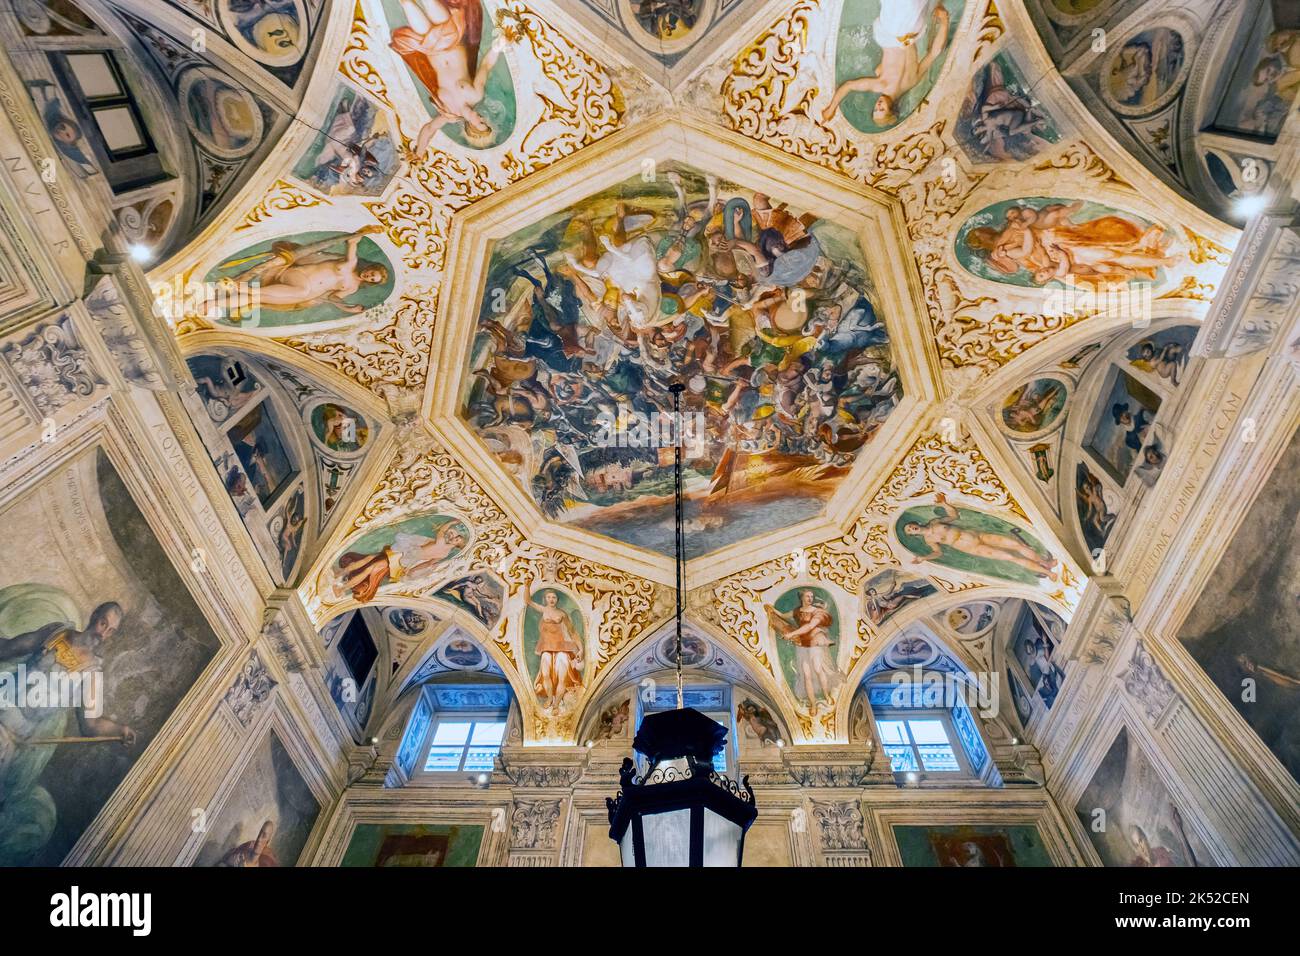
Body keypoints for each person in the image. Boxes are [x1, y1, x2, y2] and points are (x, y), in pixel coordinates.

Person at [0, 598, 137, 865]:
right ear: (94, 615)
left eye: (111, 631)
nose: (103, 632)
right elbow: (9, 647)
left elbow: (91, 724)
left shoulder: (92, 674)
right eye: (103, 623)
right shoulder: (56, 632)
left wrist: (120, 729)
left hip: (11, 738)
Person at [390, 0, 509, 153]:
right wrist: (497, 48)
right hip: (451, 35)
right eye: (484, 122)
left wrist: (419, 152)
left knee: (406, 3)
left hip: (429, 45)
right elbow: (486, 65)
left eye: (481, 124)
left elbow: (429, 129)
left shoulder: (449, 113)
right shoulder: (475, 95)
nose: (482, 119)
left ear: (471, 128)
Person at [822, 1, 951, 126]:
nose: (877, 106)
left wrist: (831, 107)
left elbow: (934, 53)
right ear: (892, 109)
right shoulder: (887, 84)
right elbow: (848, 86)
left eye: (875, 110)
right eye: (881, 110)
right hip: (898, 30)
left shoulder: (910, 82)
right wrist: (944, 22)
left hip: (909, 30)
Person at [217, 226, 388, 319]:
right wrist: (366, 233)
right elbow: (352, 241)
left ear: (370, 282)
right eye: (372, 273)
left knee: (256, 300)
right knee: (302, 290)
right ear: (370, 268)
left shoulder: (352, 288)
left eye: (372, 279)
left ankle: (211, 305)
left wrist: (346, 308)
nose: (369, 276)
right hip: (298, 276)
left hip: (301, 293)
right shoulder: (351, 263)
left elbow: (332, 297)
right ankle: (245, 288)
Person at [906, 493, 1059, 580]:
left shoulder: (935, 521)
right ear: (913, 534)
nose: (912, 528)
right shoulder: (929, 540)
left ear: (915, 523)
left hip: (976, 535)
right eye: (910, 531)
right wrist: (924, 558)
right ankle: (1048, 573)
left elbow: (953, 516)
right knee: (1009, 557)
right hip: (972, 547)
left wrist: (944, 504)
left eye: (911, 526)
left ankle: (1045, 562)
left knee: (1018, 545)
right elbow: (938, 552)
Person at [333, 521, 468, 603]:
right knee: (369, 559)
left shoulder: (441, 545)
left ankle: (342, 588)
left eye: (457, 540)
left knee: (370, 568)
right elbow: (428, 563)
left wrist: (451, 523)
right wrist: (411, 570)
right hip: (402, 555)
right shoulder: (443, 552)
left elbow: (441, 532)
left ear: (456, 545)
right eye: (456, 537)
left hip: (403, 558)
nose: (454, 538)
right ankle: (341, 572)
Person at [765, 589, 843, 706]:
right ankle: (812, 703)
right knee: (806, 674)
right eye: (807, 596)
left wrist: (791, 634)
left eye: (812, 596)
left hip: (814, 642)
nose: (810, 599)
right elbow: (782, 615)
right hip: (802, 643)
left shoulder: (818, 612)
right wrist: (771, 609)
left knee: (817, 669)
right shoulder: (797, 611)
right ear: (802, 598)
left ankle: (826, 695)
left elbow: (810, 626)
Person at [527, 590, 584, 708]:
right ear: (545, 599)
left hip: (562, 647)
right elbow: (528, 601)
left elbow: (572, 632)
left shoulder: (562, 614)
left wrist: (581, 649)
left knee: (562, 677)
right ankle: (549, 698)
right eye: (549, 597)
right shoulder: (543, 610)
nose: (552, 599)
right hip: (547, 647)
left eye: (554, 597)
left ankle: (556, 704)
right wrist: (527, 585)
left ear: (557, 600)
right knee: (545, 674)